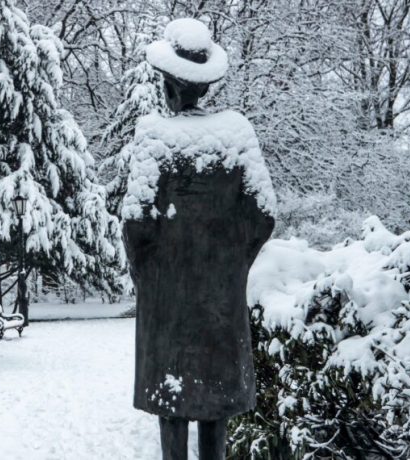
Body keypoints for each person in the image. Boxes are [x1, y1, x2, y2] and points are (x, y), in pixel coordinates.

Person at [121, 18, 277, 460]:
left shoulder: (155, 136)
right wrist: (230, 264)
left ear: (169, 85)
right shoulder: (236, 132)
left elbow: (135, 224)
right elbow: (263, 215)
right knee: (216, 413)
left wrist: (151, 276)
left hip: (167, 309)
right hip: (219, 308)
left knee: (172, 409)